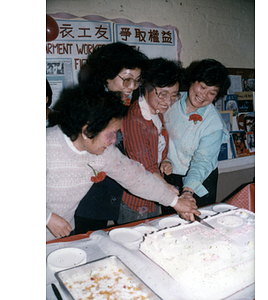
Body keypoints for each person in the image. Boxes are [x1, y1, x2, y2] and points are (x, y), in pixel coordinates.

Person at [46, 84, 199, 241]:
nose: (114, 141)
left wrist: (176, 202)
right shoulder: (46, 145)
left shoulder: (105, 152)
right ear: (87, 131)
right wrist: (47, 218)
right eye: (110, 134)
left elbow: (136, 177)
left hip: (62, 230)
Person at [73, 42, 149, 234]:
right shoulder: (89, 105)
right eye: (126, 80)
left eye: (137, 80)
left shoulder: (125, 103)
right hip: (87, 189)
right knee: (87, 239)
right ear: (106, 76)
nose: (132, 86)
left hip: (115, 185)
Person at [118, 58, 185, 224]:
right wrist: (175, 196)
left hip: (154, 193)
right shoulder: (135, 119)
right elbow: (145, 167)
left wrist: (165, 160)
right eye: (163, 94)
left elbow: (156, 148)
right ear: (147, 88)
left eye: (174, 95)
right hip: (136, 200)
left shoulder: (157, 112)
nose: (168, 101)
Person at [162, 59, 231, 216]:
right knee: (169, 223)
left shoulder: (214, 123)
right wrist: (164, 158)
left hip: (200, 179)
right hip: (170, 174)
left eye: (212, 92)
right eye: (202, 86)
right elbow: (159, 135)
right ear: (193, 80)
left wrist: (187, 191)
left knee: (197, 226)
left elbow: (202, 161)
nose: (203, 95)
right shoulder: (171, 101)